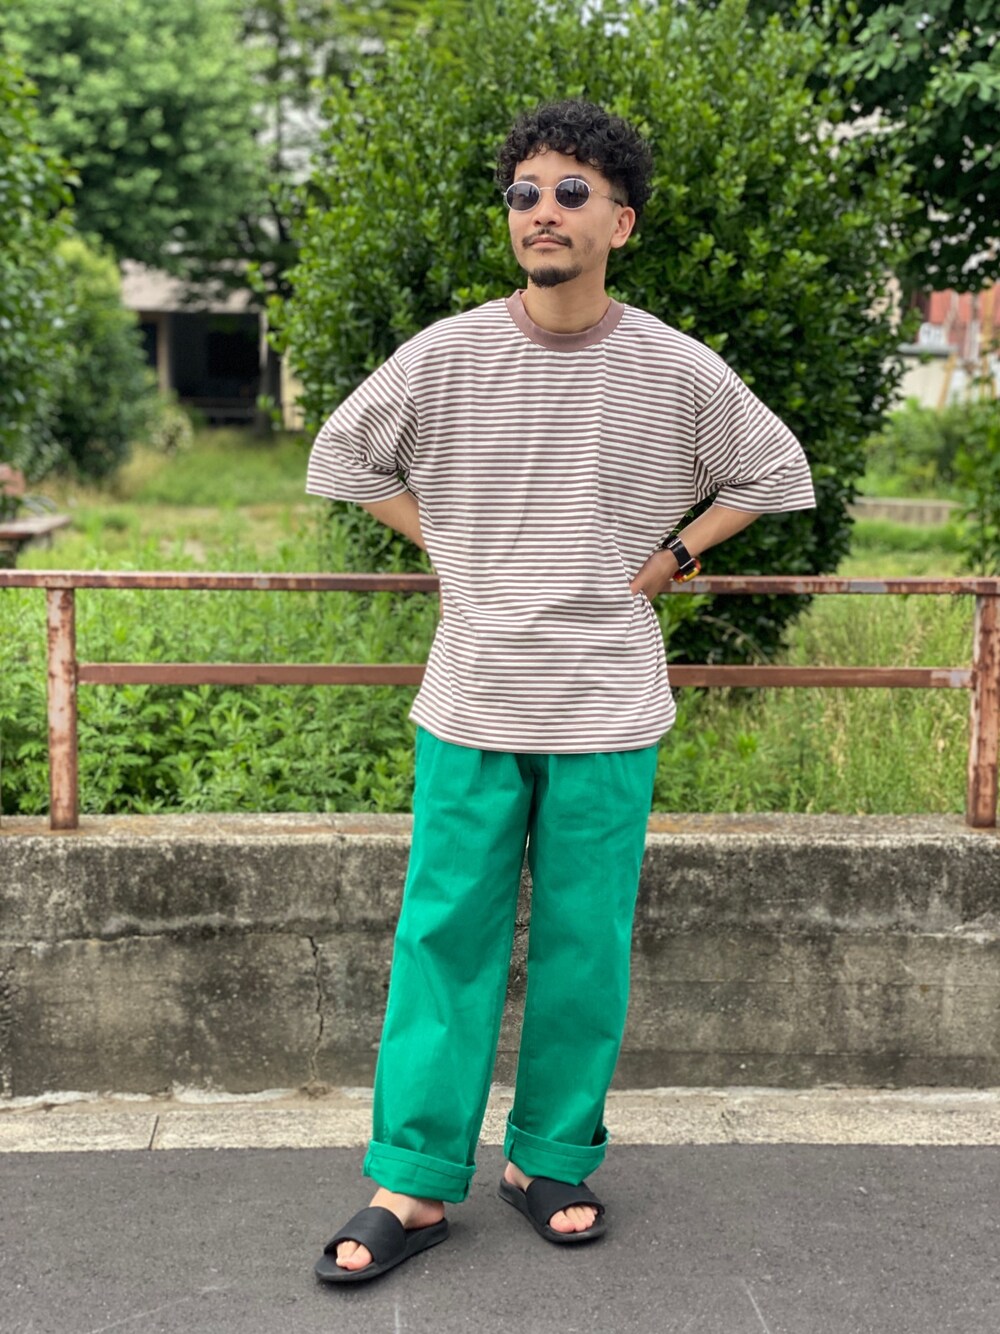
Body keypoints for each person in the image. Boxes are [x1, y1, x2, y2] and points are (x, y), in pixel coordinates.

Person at [305, 98, 815, 1284]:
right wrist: (447, 542)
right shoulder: (446, 354)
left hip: (607, 704)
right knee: (443, 938)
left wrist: (676, 554)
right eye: (525, 193)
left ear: (619, 222)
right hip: (472, 698)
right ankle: (412, 1177)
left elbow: (771, 468)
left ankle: (547, 1157)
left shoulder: (673, 366)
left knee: (586, 946)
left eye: (572, 193)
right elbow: (343, 455)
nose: (543, 211)